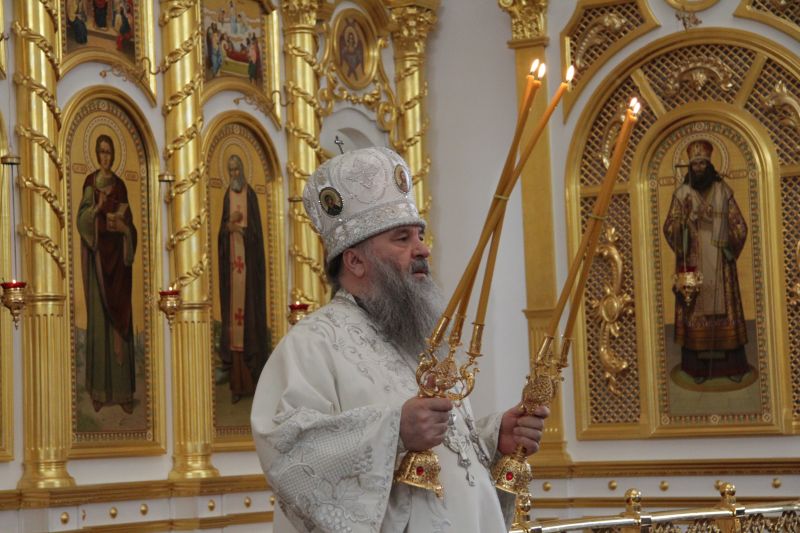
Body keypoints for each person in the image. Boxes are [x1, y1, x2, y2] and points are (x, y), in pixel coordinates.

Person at [252, 147, 548, 532]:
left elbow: (449, 465)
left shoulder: (420, 343)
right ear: (355, 261)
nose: (423, 249)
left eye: (420, 235)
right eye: (402, 238)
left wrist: (495, 440)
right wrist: (394, 432)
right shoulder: (312, 344)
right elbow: (288, 456)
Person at [663, 139, 749, 384]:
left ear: (710, 165)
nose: (699, 167)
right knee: (695, 309)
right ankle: (698, 368)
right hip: (694, 262)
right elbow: (670, 228)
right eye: (695, 164)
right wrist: (687, 220)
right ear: (690, 167)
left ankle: (732, 365)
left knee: (725, 309)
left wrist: (721, 231)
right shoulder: (682, 194)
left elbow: (740, 227)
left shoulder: (723, 192)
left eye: (703, 163)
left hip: (720, 263)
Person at [77, 134, 137, 414]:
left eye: (108, 152)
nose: (105, 157)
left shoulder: (121, 186)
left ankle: (123, 392)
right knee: (101, 325)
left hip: (120, 269)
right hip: (99, 263)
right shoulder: (90, 184)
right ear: (96, 153)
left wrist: (125, 230)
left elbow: (130, 226)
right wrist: (98, 209)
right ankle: (99, 392)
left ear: (113, 155)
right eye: (101, 152)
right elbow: (82, 221)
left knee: (120, 327)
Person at [218, 154, 269, 403]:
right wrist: (227, 229)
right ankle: (236, 384)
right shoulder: (228, 196)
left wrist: (241, 230)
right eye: (230, 170)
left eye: (236, 169)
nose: (234, 175)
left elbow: (257, 236)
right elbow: (221, 232)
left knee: (248, 320)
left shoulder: (250, 196)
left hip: (249, 275)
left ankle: (252, 380)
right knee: (233, 323)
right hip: (232, 272)